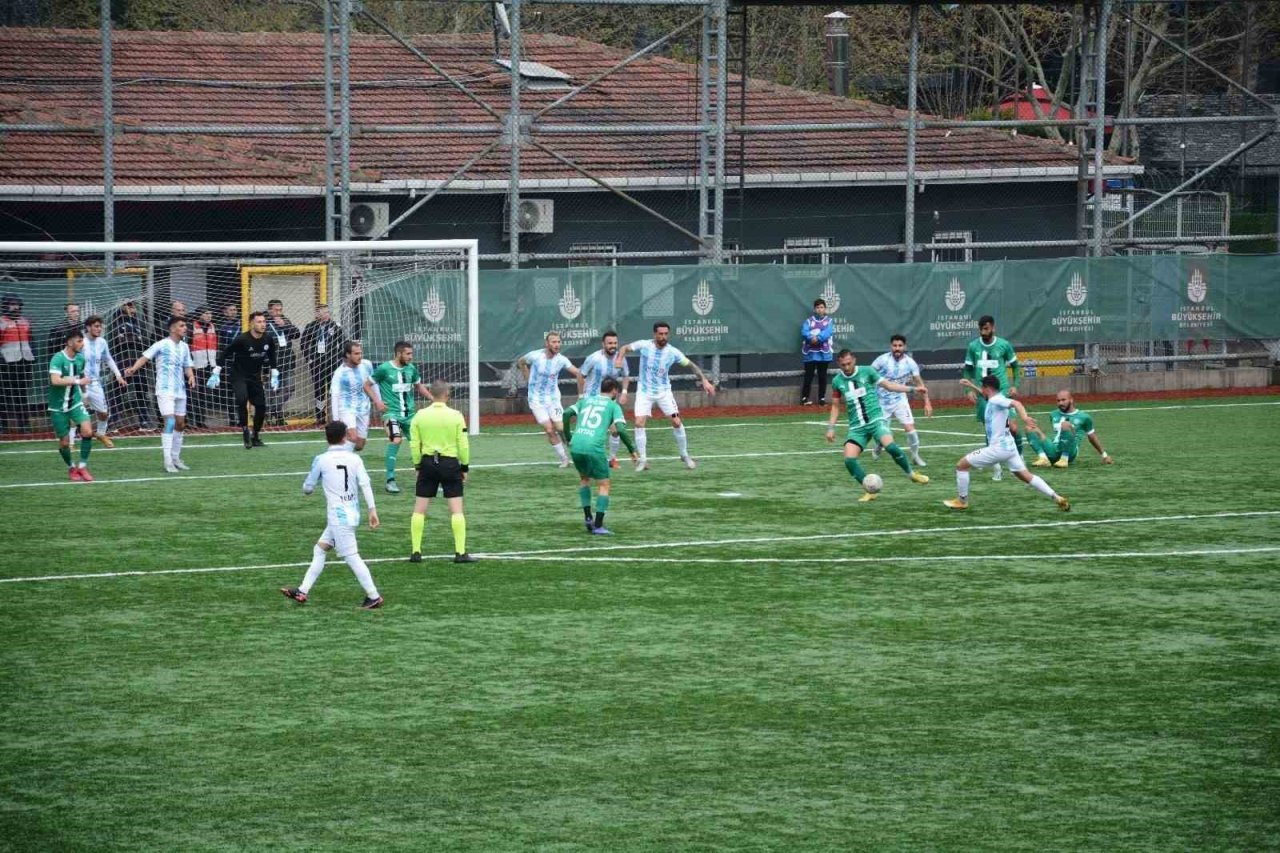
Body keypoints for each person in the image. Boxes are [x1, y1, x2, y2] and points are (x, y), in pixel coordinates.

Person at [281, 420, 384, 609]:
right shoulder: (355, 459)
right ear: (345, 438)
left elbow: (308, 488)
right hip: (352, 513)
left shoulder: (321, 460)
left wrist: (311, 485)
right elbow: (365, 484)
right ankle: (303, 591)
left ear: (326, 438)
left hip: (339, 517)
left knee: (352, 556)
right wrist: (372, 510)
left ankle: (373, 595)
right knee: (319, 549)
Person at [945, 376, 1070, 512]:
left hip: (998, 448)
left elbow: (1017, 404)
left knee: (961, 466)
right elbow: (987, 397)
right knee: (1025, 475)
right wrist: (971, 385)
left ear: (987, 388)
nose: (981, 390)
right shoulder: (995, 399)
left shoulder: (997, 400)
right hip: (1009, 447)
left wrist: (1025, 418)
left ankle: (962, 501)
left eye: (982, 388)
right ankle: (1056, 497)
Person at [824, 348, 930, 501]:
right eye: (843, 365)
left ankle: (911, 474)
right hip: (857, 427)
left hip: (875, 420)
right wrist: (830, 428)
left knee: (891, 446)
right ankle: (870, 490)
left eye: (848, 363)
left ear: (854, 360)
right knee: (849, 460)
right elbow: (835, 406)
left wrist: (913, 389)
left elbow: (889, 386)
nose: (846, 368)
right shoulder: (837, 381)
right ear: (839, 364)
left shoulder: (868, 371)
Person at [615, 321, 716, 471]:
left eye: (666, 334)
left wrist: (705, 380)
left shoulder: (672, 352)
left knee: (676, 421)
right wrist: (619, 359)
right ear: (654, 334)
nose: (663, 336)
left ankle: (684, 454)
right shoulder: (644, 345)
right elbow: (624, 348)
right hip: (644, 392)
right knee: (639, 423)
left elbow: (691, 365)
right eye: (660, 334)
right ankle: (643, 460)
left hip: (664, 392)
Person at [407, 380, 476, 564]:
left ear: (430, 393)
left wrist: (417, 466)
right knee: (456, 509)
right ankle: (460, 553)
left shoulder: (420, 416)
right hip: (449, 463)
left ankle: (416, 552)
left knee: (420, 509)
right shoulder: (456, 415)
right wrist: (465, 466)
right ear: (447, 395)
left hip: (427, 463)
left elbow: (414, 444)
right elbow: (463, 444)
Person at [563, 377, 638, 535]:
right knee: (604, 484)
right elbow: (621, 430)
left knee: (584, 479)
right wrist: (632, 450)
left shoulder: (586, 400)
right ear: (614, 391)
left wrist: (569, 436)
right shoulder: (613, 405)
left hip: (577, 444)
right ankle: (598, 525)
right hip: (594, 447)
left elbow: (567, 413)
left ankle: (588, 517)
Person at [124, 316, 196, 473]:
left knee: (180, 424)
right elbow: (145, 357)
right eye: (182, 326)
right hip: (164, 390)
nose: (185, 328)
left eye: (185, 326)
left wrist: (191, 376)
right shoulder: (162, 344)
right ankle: (167, 461)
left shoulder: (184, 347)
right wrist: (133, 369)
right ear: (172, 329)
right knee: (169, 422)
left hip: (180, 390)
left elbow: (187, 365)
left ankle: (176, 458)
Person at [962, 315, 1022, 481]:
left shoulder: (1003, 345)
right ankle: (996, 467)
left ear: (993, 328)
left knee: (1014, 428)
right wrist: (969, 390)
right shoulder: (973, 346)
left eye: (987, 328)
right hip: (983, 394)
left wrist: (1015, 384)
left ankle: (1020, 459)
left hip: (1002, 391)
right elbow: (967, 369)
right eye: (981, 329)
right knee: (989, 429)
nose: (984, 332)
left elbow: (1016, 366)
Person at [370, 340, 432, 494]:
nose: (411, 357)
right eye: (408, 354)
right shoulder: (384, 369)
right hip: (391, 414)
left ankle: (422, 480)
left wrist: (433, 399)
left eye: (411, 353)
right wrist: (377, 401)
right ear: (399, 353)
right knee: (396, 439)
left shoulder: (411, 369)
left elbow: (419, 386)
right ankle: (390, 480)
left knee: (419, 445)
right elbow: (366, 384)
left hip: (410, 415)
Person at [211, 310, 278, 449]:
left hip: (255, 377)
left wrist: (274, 371)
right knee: (242, 400)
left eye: (264, 321)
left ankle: (255, 436)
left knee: (261, 406)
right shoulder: (242, 339)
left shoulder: (268, 339)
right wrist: (217, 371)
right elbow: (225, 353)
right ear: (252, 323)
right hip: (238, 376)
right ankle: (245, 431)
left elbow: (272, 355)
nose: (263, 324)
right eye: (259, 322)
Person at [516, 332, 582, 468]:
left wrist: (582, 394)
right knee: (549, 429)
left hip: (553, 399)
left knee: (561, 428)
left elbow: (579, 373)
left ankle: (575, 451)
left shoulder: (562, 360)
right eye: (553, 342)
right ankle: (564, 459)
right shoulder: (535, 356)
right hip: (536, 400)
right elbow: (521, 362)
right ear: (547, 343)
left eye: (558, 342)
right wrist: (527, 376)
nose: (557, 345)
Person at [870, 334, 932, 467]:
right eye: (894, 345)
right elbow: (869, 375)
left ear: (905, 347)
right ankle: (878, 446)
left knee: (912, 431)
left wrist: (927, 402)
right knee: (883, 433)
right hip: (881, 401)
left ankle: (915, 456)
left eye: (900, 346)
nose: (897, 348)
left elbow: (920, 385)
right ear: (890, 346)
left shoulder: (910, 363)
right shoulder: (881, 360)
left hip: (900, 400)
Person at [577, 330, 631, 469]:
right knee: (592, 432)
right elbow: (580, 375)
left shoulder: (621, 359)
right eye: (610, 343)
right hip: (592, 400)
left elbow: (626, 376)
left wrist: (624, 392)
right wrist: (581, 397)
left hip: (609, 403)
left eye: (615, 343)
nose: (613, 345)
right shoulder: (593, 358)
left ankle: (612, 459)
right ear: (603, 344)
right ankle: (588, 459)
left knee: (616, 430)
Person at [48, 328, 95, 481]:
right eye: (79, 341)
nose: (82, 344)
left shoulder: (81, 359)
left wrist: (85, 394)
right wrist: (77, 381)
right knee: (64, 442)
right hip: (58, 407)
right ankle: (71, 468)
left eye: (83, 341)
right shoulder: (57, 358)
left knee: (87, 431)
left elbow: (81, 376)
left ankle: (82, 467)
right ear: (69, 342)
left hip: (75, 402)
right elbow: (55, 381)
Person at [1029, 389, 1114, 468]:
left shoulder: (1084, 417)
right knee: (1030, 427)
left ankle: (1064, 459)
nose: (1060, 403)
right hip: (1054, 449)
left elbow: (1092, 437)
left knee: (1065, 425)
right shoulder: (1053, 414)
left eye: (1063, 400)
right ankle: (1043, 458)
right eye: (1058, 401)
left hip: (1070, 452)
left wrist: (1104, 455)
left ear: (1071, 400)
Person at [110, 299, 156, 430]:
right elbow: (120, 340)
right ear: (123, 307)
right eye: (129, 305)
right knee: (118, 393)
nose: (132, 308)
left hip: (138, 362)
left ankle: (144, 421)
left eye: (133, 306)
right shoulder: (116, 321)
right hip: (123, 361)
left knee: (141, 392)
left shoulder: (139, 322)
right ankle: (114, 421)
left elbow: (143, 340)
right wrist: (134, 337)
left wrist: (133, 338)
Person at [81, 315, 126, 448]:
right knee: (76, 411)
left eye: (100, 326)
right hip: (80, 383)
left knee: (103, 413)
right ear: (88, 327)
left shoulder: (102, 342)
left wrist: (118, 375)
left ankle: (101, 434)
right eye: (96, 326)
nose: (99, 329)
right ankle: (70, 442)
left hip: (95, 383)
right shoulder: (81, 342)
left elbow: (108, 359)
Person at [301, 303, 344, 426]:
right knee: (319, 390)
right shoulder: (310, 327)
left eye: (327, 312)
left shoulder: (335, 326)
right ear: (317, 314)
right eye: (322, 313)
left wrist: (340, 360)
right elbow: (304, 344)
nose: (325, 315)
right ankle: (320, 416)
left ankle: (334, 415)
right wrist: (309, 359)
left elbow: (343, 342)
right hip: (317, 363)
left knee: (333, 389)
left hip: (332, 363)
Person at [331, 340, 375, 451]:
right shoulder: (340, 373)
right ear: (348, 354)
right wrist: (336, 420)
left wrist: (378, 400)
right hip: (346, 408)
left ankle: (341, 449)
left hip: (363, 408)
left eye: (360, 353)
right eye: (356, 354)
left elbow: (374, 384)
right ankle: (340, 459)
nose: (360, 356)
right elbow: (334, 396)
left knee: (360, 445)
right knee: (353, 437)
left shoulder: (367, 365)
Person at [1, 293, 36, 432]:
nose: (15, 307)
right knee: (4, 395)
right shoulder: (1, 321)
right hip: (5, 363)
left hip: (24, 363)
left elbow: (31, 341)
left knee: (22, 395)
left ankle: (24, 425)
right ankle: (3, 425)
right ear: (5, 306)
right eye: (11, 304)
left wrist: (33, 357)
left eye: (17, 304)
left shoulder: (25, 321)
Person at [265, 299, 300, 425]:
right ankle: (270, 417)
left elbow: (296, 334)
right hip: (271, 363)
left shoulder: (285, 320)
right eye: (276, 310)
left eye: (280, 310)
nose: (279, 312)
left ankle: (274, 409)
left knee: (289, 387)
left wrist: (284, 326)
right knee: (271, 390)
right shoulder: (264, 322)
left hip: (287, 361)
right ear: (270, 310)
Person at [187, 306, 219, 429]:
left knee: (204, 395)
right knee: (193, 394)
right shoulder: (192, 327)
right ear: (199, 315)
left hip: (209, 365)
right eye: (206, 313)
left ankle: (201, 420)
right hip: (196, 366)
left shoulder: (213, 327)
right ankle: (191, 420)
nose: (209, 316)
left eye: (210, 313)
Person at [800, 297, 833, 406]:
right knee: (808, 377)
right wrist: (811, 338)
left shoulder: (829, 321)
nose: (820, 309)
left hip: (823, 354)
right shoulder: (809, 321)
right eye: (817, 307)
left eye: (822, 307)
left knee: (822, 377)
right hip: (810, 354)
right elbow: (804, 332)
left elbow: (828, 332)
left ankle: (822, 399)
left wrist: (817, 338)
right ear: (814, 309)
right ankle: (804, 399)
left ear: (825, 309)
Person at [217, 303, 241, 423]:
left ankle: (241, 417)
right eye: (230, 310)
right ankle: (232, 418)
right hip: (228, 363)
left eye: (235, 310)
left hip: (241, 362)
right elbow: (220, 346)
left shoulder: (242, 325)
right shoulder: (222, 327)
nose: (233, 312)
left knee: (240, 390)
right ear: (225, 312)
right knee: (229, 392)